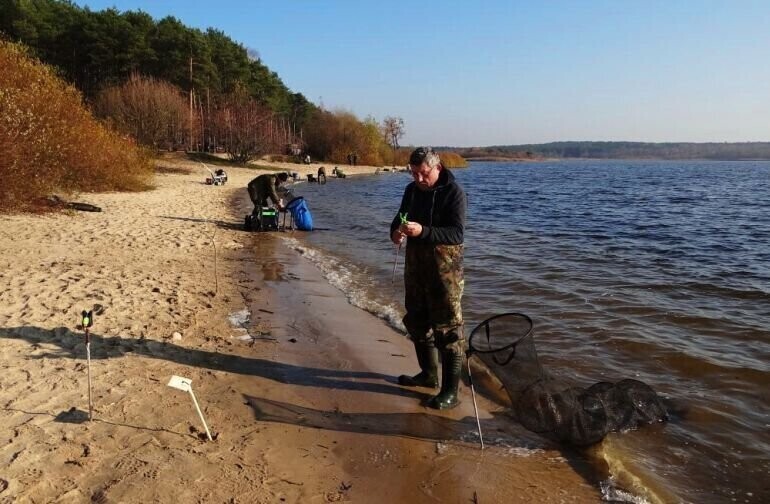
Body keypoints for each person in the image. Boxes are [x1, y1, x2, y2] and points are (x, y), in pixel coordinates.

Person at [390, 147, 467, 410]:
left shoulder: (453, 193)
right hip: (415, 269)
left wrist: (423, 231)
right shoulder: (412, 191)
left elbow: (456, 234)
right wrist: (397, 231)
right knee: (416, 322)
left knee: (448, 331)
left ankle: (450, 392)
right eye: (414, 174)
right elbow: (400, 217)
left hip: (445, 273)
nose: (419, 180)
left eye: (423, 174)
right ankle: (428, 374)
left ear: (438, 168)